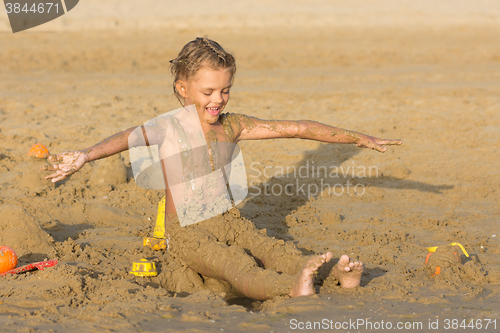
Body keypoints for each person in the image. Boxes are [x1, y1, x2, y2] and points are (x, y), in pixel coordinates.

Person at [42, 37, 402, 300]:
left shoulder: (234, 126)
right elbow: (126, 137)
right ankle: (289, 288)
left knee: (276, 251)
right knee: (235, 266)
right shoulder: (169, 127)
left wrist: (357, 138)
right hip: (186, 232)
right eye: (209, 91)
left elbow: (296, 127)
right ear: (183, 88)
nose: (218, 100)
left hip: (229, 219)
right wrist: (86, 155)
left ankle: (339, 277)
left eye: (225, 90)